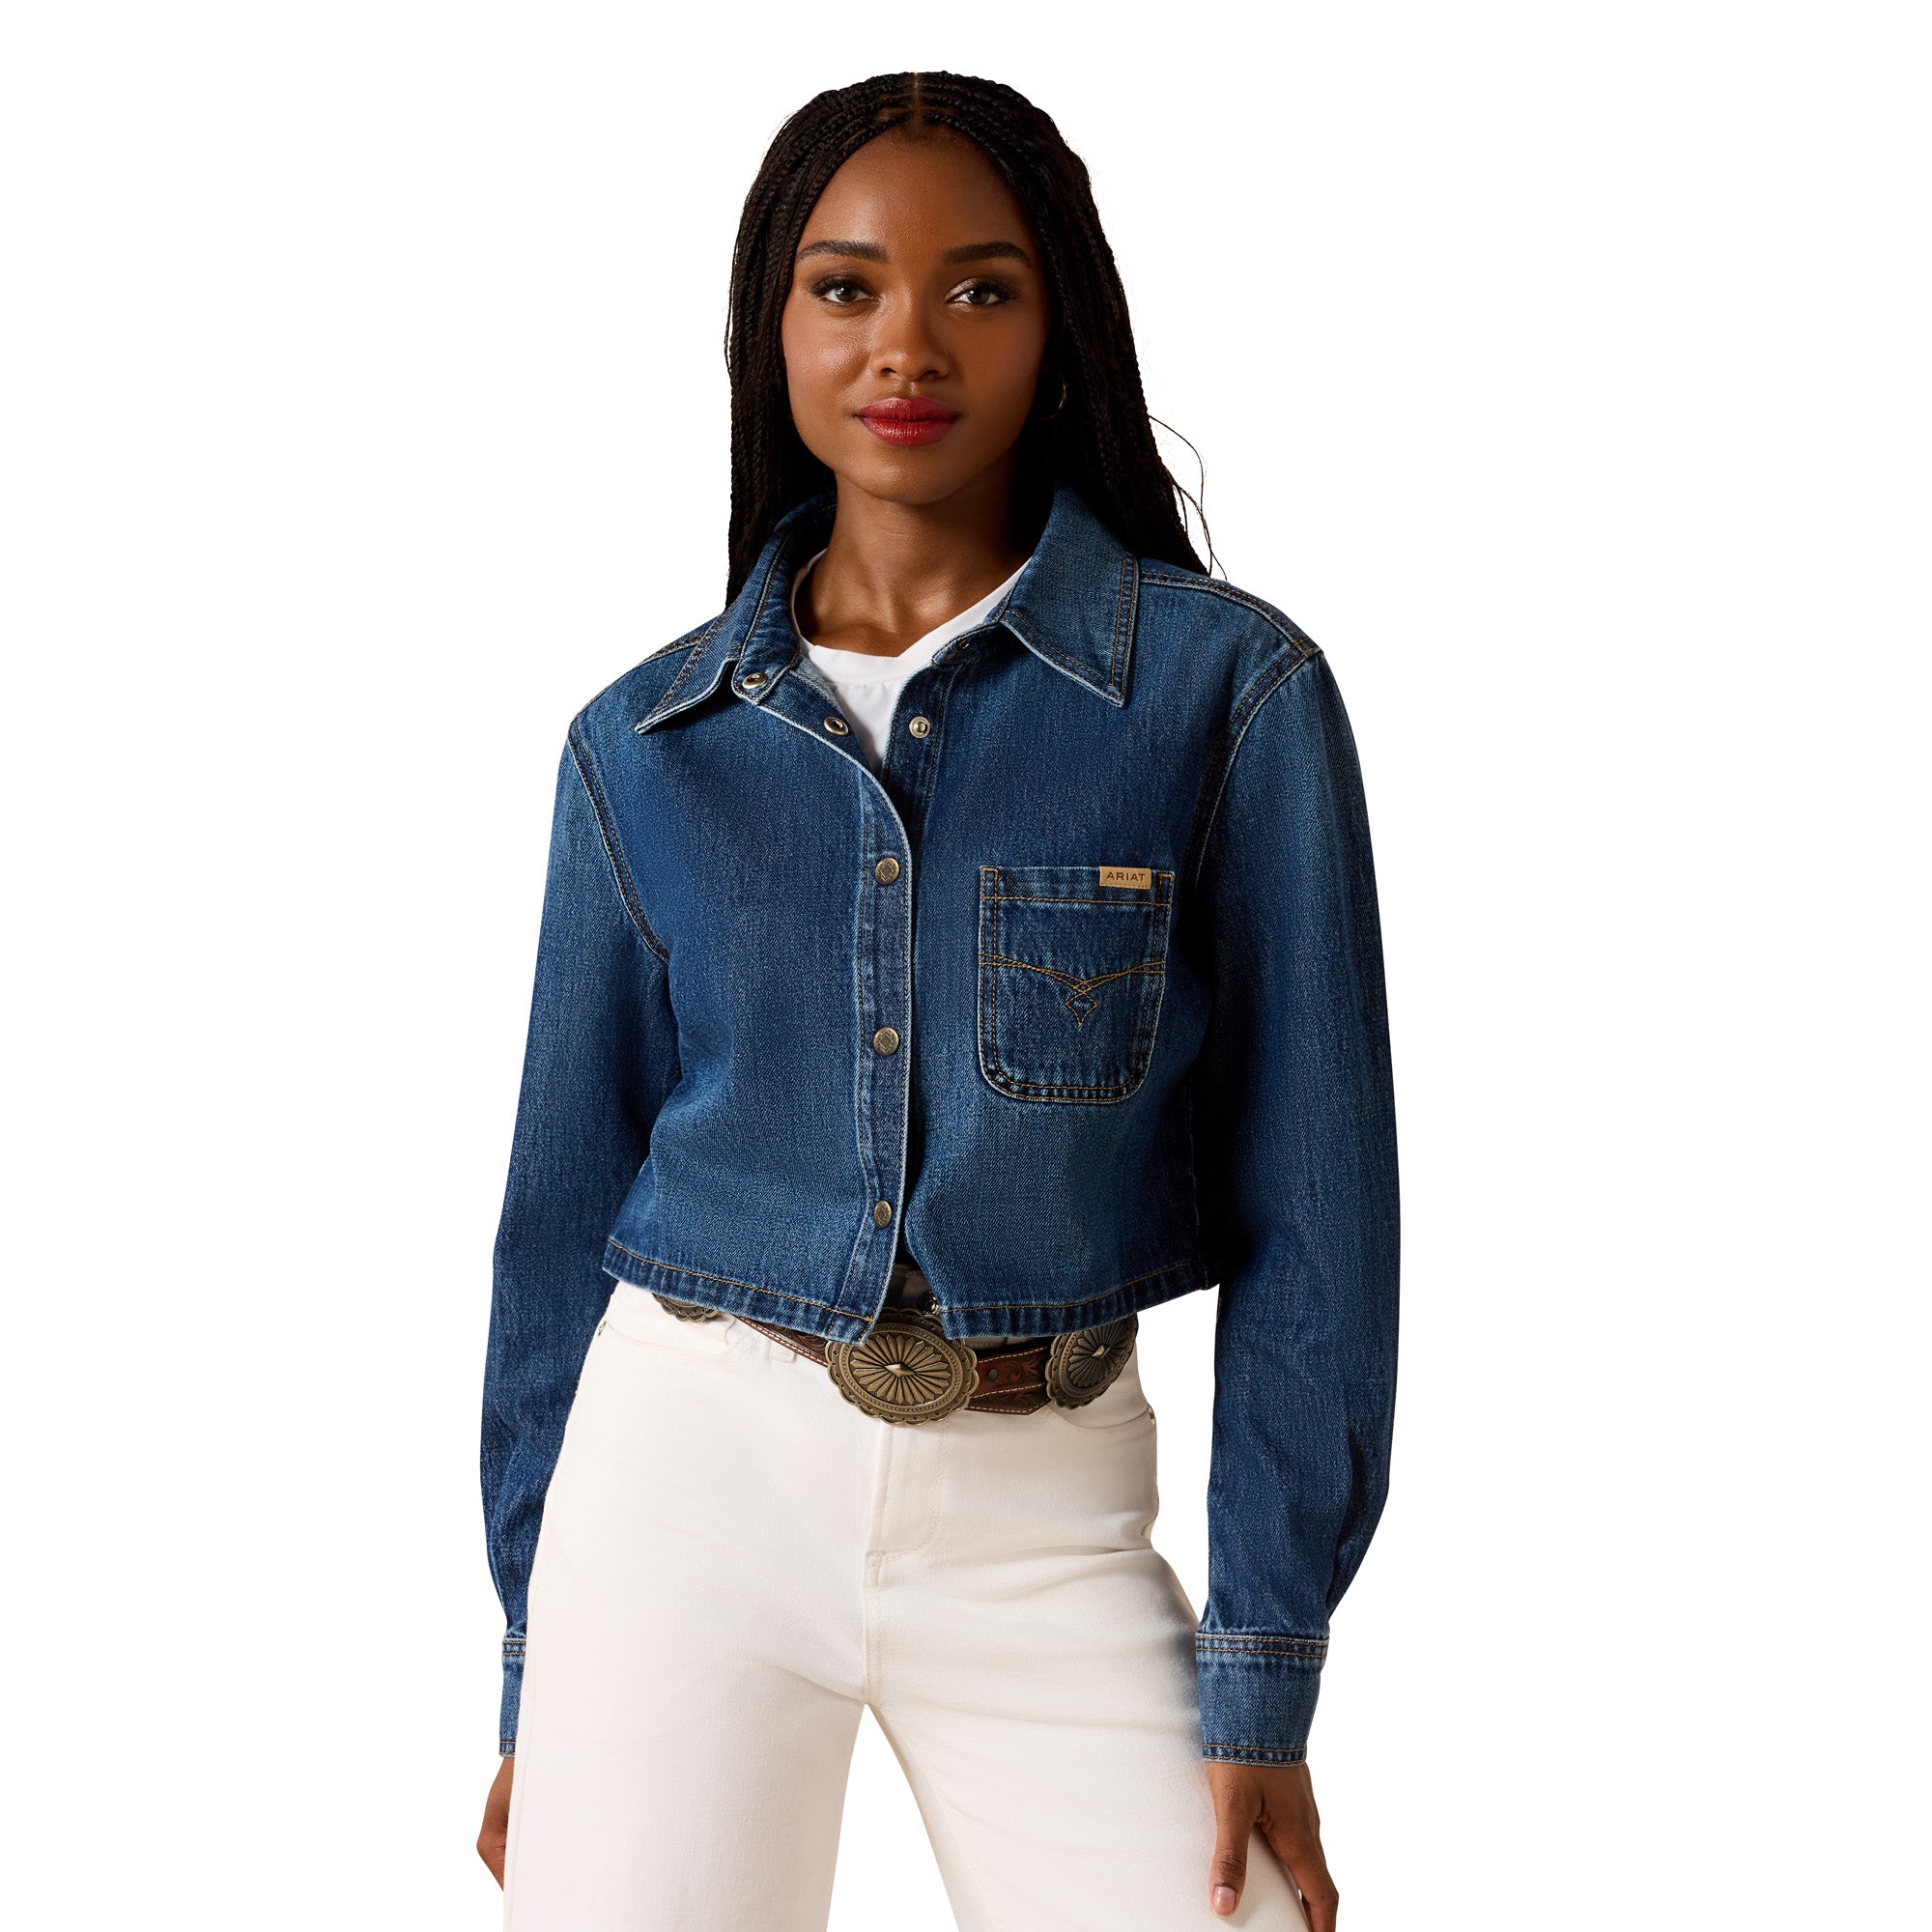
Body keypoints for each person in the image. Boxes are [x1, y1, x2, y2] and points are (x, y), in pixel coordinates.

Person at [475, 71, 1399, 1932]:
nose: (907, 343)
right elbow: (560, 1219)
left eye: (980, 287)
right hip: (678, 1493)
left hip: (1046, 1506)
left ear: (1060, 329)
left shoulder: (1228, 698)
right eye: (845, 287)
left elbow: (1320, 1214)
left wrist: (1264, 1667)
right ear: (774, 327)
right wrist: (533, 1665)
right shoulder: (641, 745)